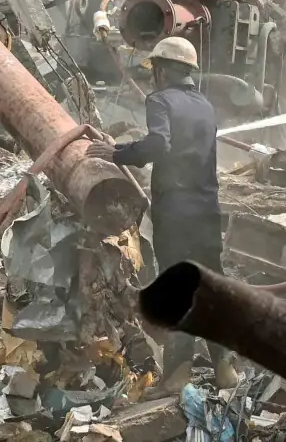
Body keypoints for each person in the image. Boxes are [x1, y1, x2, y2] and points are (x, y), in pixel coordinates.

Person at [87, 37, 235, 389]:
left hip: (177, 214)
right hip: (208, 211)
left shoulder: (160, 100)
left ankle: (178, 375)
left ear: (165, 70)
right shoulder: (205, 105)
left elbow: (159, 144)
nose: (153, 77)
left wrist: (115, 154)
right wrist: (122, 147)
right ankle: (226, 371)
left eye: (155, 70)